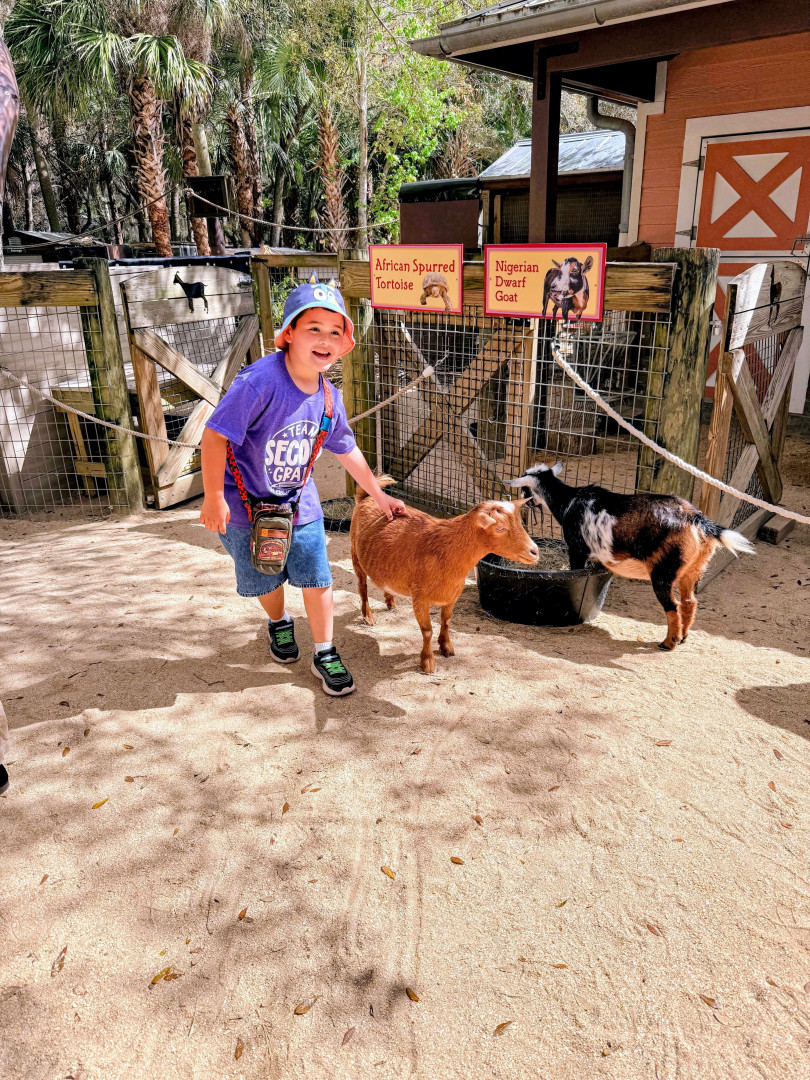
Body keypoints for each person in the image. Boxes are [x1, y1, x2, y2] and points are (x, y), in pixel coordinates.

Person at [199, 275, 405, 696]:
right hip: (244, 508)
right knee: (266, 578)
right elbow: (215, 435)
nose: (325, 339)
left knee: (318, 577)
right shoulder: (259, 382)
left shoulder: (330, 397)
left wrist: (378, 494)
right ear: (289, 333)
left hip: (299, 504)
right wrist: (214, 497)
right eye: (314, 328)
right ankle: (278, 622)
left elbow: (346, 448)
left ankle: (325, 651)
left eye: (335, 332)